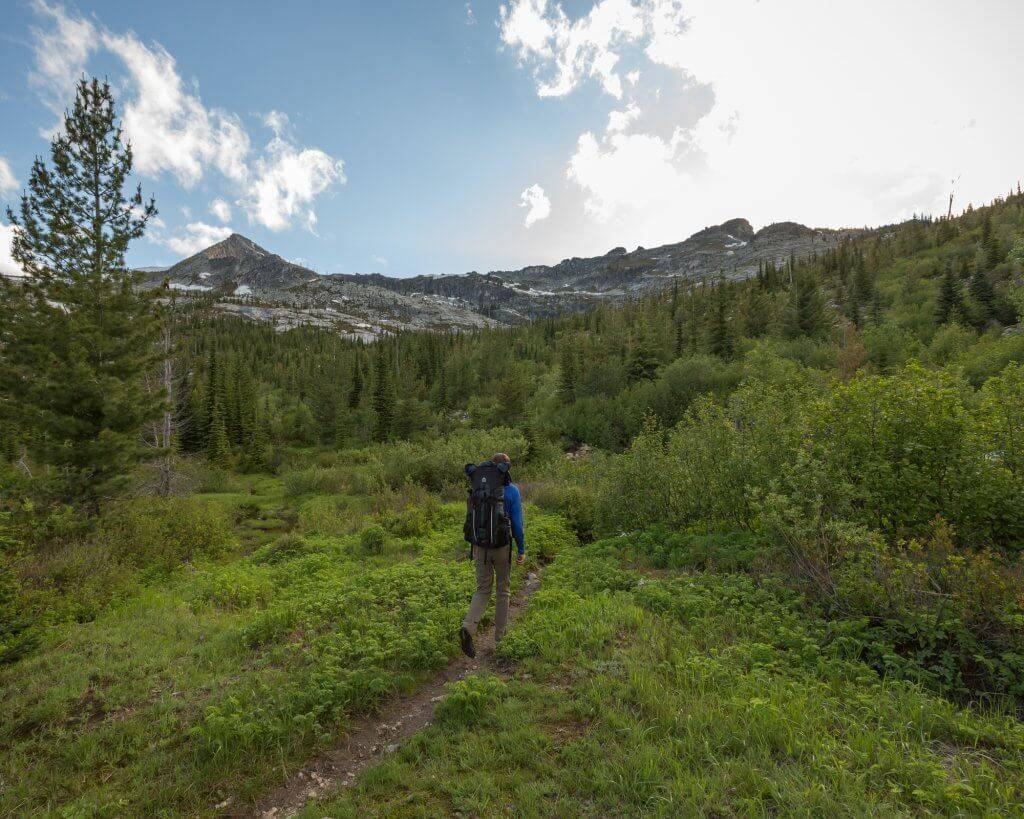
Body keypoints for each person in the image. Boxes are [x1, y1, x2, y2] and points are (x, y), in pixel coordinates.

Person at [459, 452, 525, 658]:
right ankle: (500, 639)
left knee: (482, 590)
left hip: (480, 547)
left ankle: (469, 626)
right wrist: (521, 549)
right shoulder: (511, 491)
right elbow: (517, 524)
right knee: (503, 591)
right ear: (505, 469)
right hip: (502, 548)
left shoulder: (479, 490)